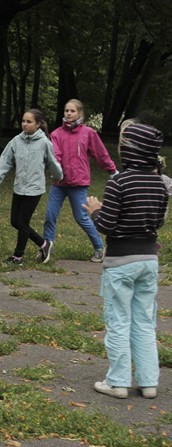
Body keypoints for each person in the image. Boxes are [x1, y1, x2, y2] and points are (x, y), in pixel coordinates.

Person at [83, 121, 167, 400]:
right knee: (144, 321)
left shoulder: (119, 181)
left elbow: (106, 224)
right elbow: (158, 221)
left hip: (121, 262)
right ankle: (148, 382)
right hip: (149, 260)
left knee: (118, 320)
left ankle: (118, 382)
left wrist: (96, 210)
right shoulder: (159, 183)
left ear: (130, 151)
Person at [43, 99, 117, 262]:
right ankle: (46, 248)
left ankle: (99, 248)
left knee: (81, 217)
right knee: (50, 215)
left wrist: (112, 170)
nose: (68, 114)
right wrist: (57, 170)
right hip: (59, 184)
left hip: (79, 183)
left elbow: (100, 153)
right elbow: (55, 155)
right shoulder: (56, 134)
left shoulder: (88, 133)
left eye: (72, 111)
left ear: (80, 113)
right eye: (66, 111)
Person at [0, 109, 63, 265]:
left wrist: (58, 177)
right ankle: (44, 244)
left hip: (34, 189)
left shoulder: (44, 142)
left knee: (22, 222)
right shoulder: (16, 141)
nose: (25, 124)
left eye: (29, 122)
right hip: (19, 187)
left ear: (37, 124)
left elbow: (52, 162)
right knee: (15, 221)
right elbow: (5, 161)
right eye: (23, 121)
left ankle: (18, 256)